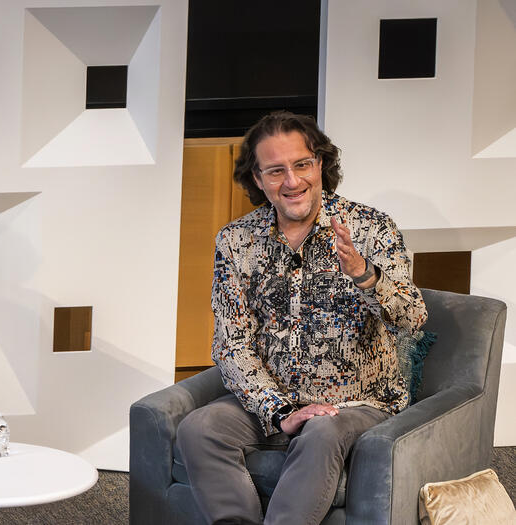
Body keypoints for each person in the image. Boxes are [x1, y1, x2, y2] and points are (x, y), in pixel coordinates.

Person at [175, 111, 427, 525]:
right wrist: (278, 411)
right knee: (198, 428)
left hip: (358, 401)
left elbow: (413, 318)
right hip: (276, 399)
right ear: (257, 179)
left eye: (302, 165)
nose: (291, 182)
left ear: (321, 165)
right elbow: (231, 343)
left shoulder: (371, 229)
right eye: (275, 171)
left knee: (322, 431)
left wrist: (365, 276)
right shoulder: (236, 242)